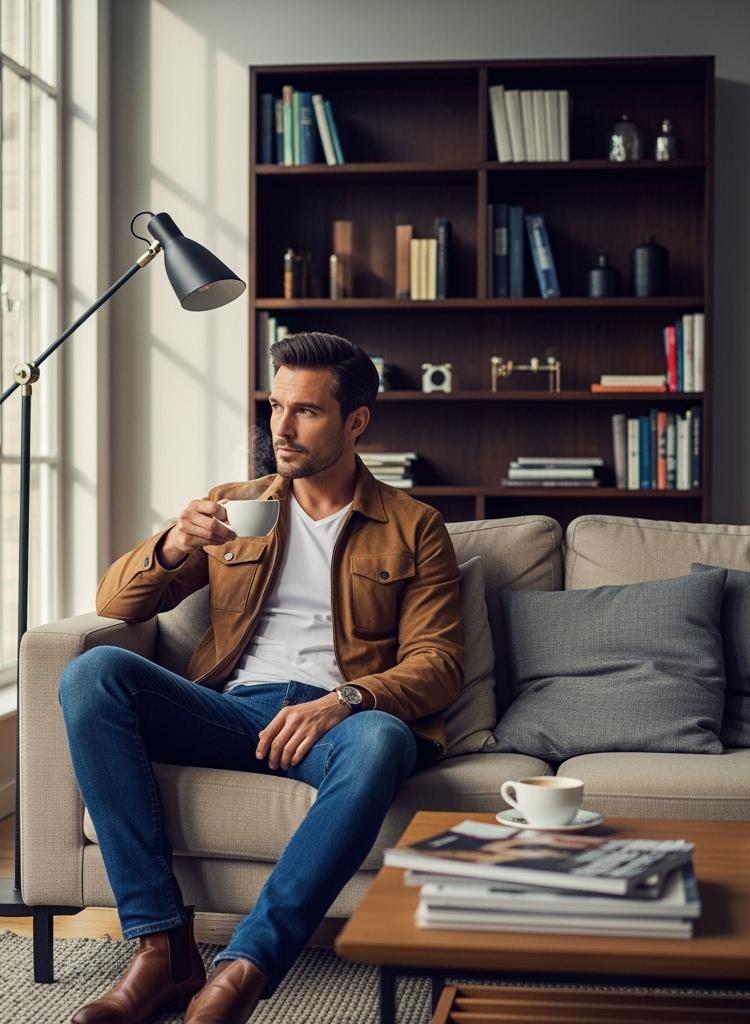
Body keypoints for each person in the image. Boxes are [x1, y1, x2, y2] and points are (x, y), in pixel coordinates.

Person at [59, 332, 464, 1024]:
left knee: (383, 744)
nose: (280, 427)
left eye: (304, 411)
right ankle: (161, 948)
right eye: (275, 405)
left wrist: (345, 701)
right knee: (93, 673)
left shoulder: (414, 526)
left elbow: (438, 663)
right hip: (232, 712)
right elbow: (115, 607)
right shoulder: (233, 505)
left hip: (340, 724)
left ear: (356, 421)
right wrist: (173, 543)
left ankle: (245, 968)